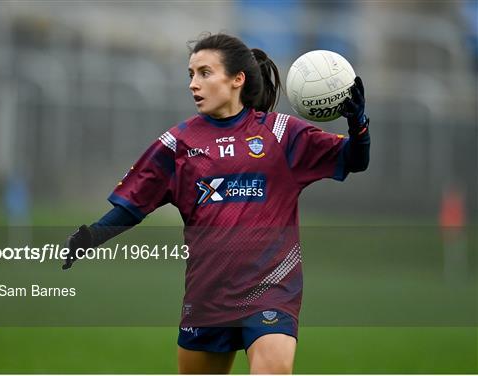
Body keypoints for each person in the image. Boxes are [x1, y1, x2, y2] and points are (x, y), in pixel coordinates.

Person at [62, 33, 370, 374]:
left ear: (237, 79)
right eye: (191, 74)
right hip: (208, 297)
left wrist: (358, 124)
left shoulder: (281, 134)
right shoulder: (177, 143)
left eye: (205, 73)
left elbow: (354, 159)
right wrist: (92, 237)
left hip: (271, 289)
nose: (194, 84)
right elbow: (132, 206)